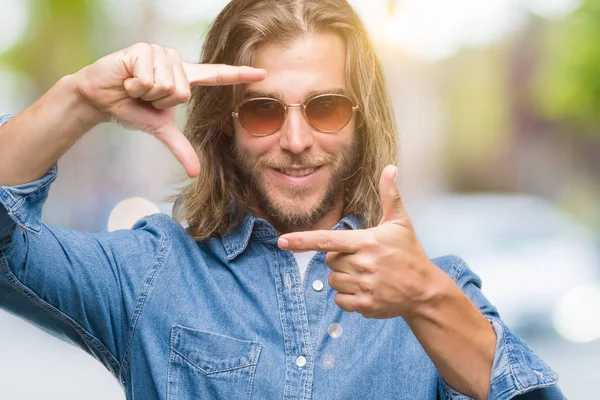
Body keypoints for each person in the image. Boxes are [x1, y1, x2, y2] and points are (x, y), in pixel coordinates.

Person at [0, 0, 563, 399]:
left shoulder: (436, 290)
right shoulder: (152, 273)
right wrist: (78, 100)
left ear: (362, 123)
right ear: (227, 126)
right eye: (263, 110)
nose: (296, 142)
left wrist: (425, 299)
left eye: (325, 107)